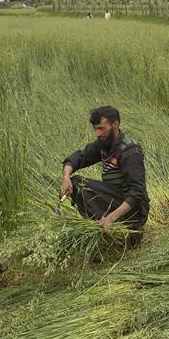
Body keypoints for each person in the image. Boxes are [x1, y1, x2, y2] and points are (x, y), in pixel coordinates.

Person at [60, 106, 148, 247]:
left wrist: (110, 218)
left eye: (101, 128)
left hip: (134, 208)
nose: (97, 133)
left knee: (79, 184)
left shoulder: (130, 151)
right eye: (95, 129)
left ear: (115, 124)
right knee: (76, 184)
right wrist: (66, 177)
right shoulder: (103, 144)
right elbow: (77, 158)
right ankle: (100, 231)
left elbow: (137, 193)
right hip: (114, 197)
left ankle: (131, 229)